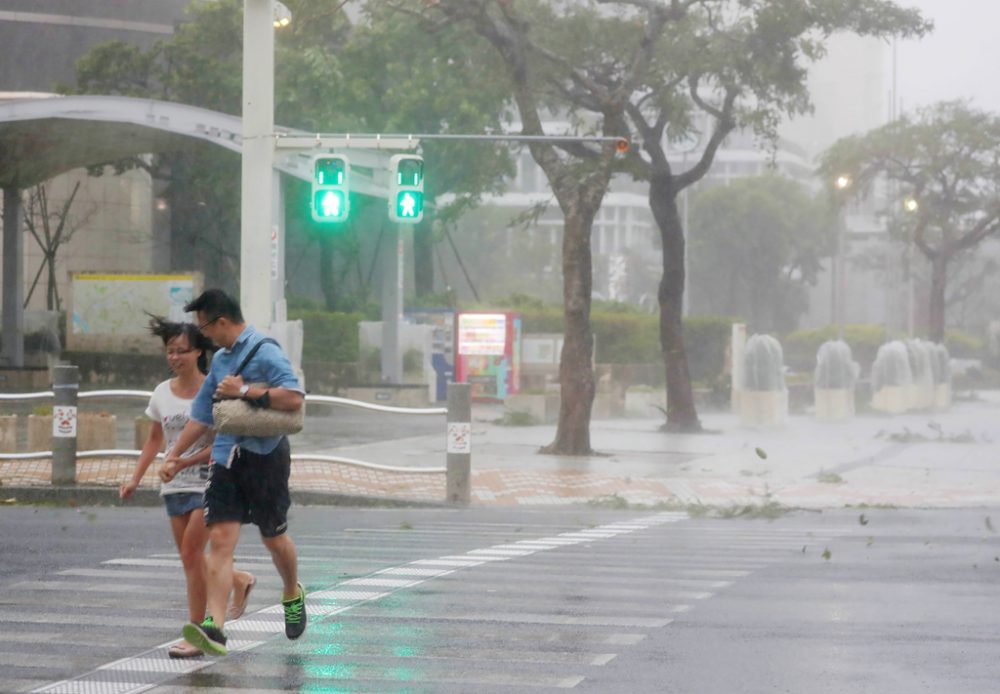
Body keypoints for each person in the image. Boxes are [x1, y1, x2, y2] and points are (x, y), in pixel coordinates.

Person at [160, 289, 306, 656]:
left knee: (274, 539)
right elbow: (202, 415)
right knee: (221, 543)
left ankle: (292, 591)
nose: (204, 336)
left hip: (265, 456)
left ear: (221, 321)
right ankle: (215, 628)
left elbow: (294, 397)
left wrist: (245, 390)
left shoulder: (266, 350)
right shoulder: (222, 359)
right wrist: (174, 455)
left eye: (205, 328)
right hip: (226, 459)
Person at [120, 316, 256, 659]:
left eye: (182, 350)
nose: (175, 356)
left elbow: (224, 441)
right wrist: (136, 477)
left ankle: (196, 633)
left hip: (209, 482)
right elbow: (155, 440)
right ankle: (237, 578)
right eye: (170, 350)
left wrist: (184, 461)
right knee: (191, 560)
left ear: (199, 352)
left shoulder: (213, 389)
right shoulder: (161, 393)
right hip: (173, 485)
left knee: (191, 555)